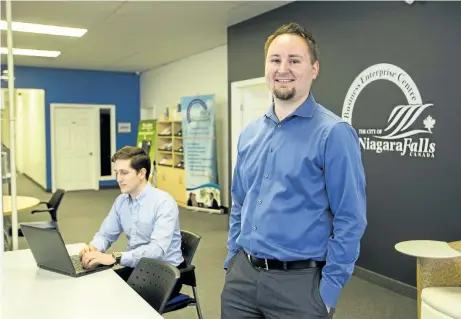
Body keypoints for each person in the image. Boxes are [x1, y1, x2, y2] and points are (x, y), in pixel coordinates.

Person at [221, 22, 367, 319]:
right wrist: (231, 261)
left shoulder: (334, 133)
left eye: (294, 60)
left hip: (299, 289)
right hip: (242, 281)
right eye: (275, 59)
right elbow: (240, 202)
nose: (283, 68)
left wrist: (329, 292)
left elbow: (350, 219)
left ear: (313, 69)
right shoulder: (250, 133)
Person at [79, 146, 185, 287]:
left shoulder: (164, 202)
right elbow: (105, 235)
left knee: (110, 295)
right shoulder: (121, 201)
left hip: (165, 273)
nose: (118, 179)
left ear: (141, 173)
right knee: (93, 283)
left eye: (124, 173)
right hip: (137, 268)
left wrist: (114, 257)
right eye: (117, 173)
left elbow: (157, 250)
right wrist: (92, 249)